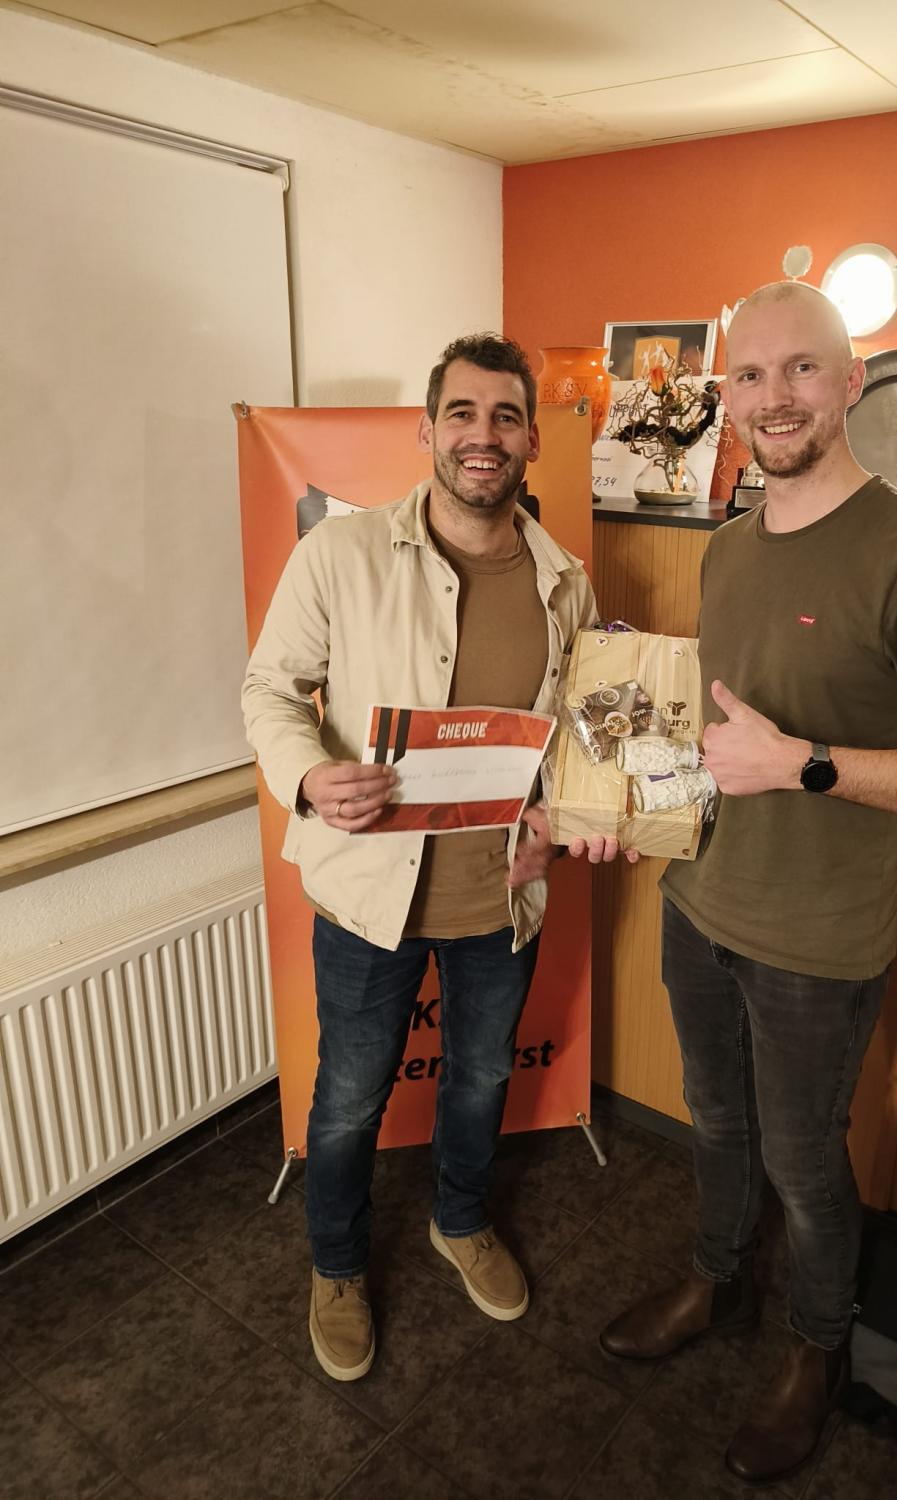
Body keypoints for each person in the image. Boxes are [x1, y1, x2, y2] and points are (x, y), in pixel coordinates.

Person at [593, 283, 897, 1483]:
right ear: (723, 396)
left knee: (803, 1161)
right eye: (749, 375)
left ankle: (814, 1350)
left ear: (852, 383)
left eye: (801, 370)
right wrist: (628, 783)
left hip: (820, 941)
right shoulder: (730, 545)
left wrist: (808, 765)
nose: (773, 397)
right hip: (700, 902)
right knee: (715, 1122)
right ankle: (715, 1282)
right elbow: (728, 727)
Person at [242, 333, 600, 1383]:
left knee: (479, 1080)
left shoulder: (565, 582)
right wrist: (310, 776)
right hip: (368, 897)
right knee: (349, 1101)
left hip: (501, 899)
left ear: (531, 439)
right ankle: (337, 1266)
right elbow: (270, 690)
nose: (482, 436)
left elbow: (573, 738)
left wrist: (558, 818)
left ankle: (460, 1219)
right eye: (462, 413)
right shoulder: (340, 555)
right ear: (427, 429)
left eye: (504, 416)